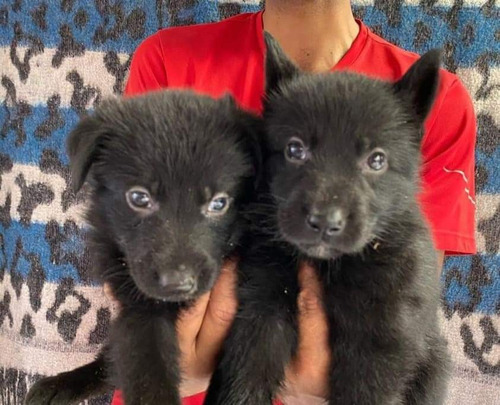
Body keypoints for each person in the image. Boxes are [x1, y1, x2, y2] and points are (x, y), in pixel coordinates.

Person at [111, 1, 477, 404]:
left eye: (374, 161)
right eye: (296, 152)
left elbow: (408, 309)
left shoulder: (438, 102)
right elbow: (138, 286)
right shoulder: (169, 61)